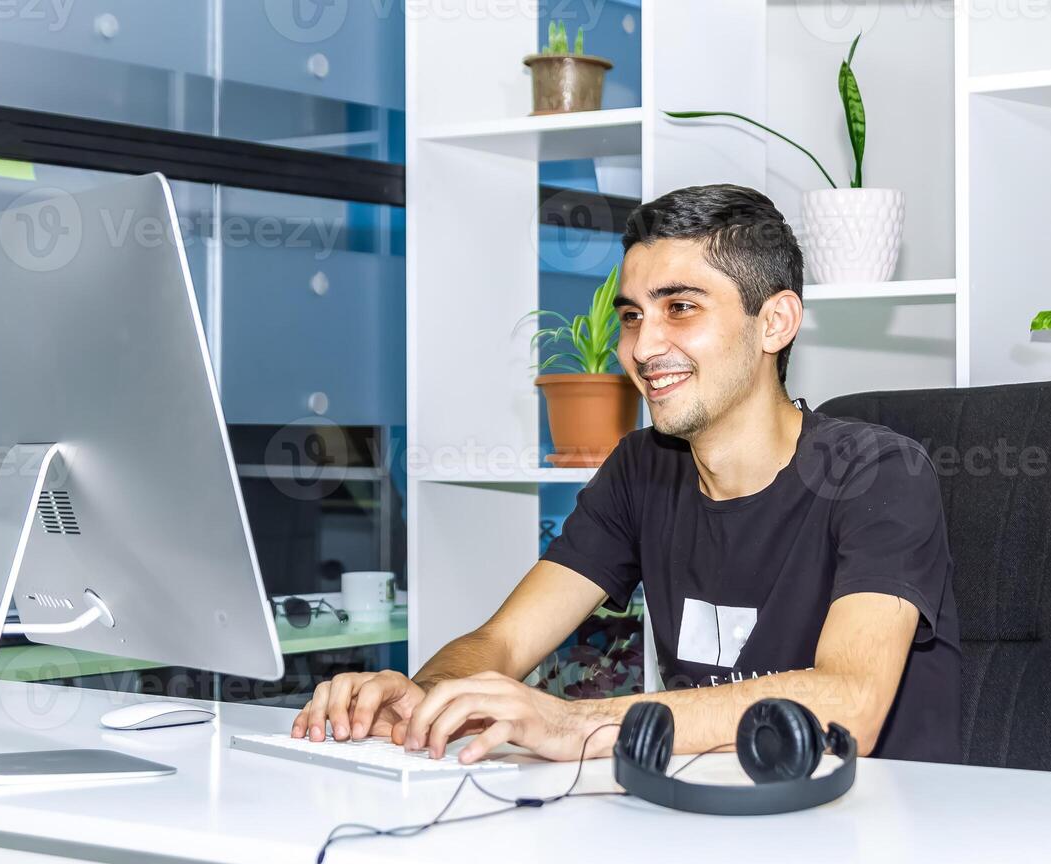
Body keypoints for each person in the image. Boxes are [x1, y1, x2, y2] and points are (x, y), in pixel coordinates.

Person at [291, 184, 961, 765]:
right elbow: (501, 640)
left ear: (775, 322)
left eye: (681, 308)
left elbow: (850, 702)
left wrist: (575, 722)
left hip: (881, 836)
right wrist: (426, 694)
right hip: (708, 820)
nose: (641, 348)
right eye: (633, 316)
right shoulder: (643, 469)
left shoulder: (877, 472)